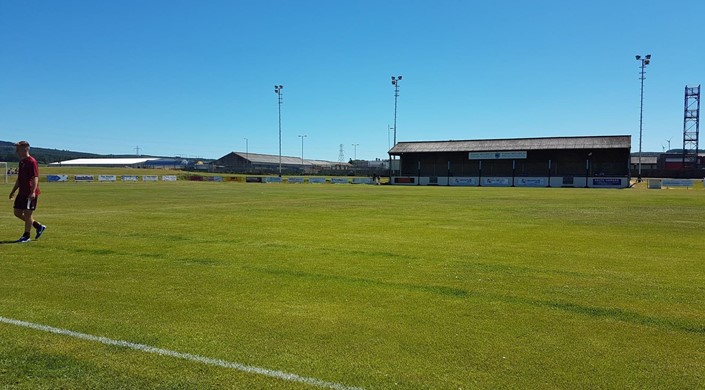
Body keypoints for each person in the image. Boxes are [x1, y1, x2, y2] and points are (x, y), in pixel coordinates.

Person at [9, 141, 46, 243]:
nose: (16, 151)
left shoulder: (32, 161)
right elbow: (19, 179)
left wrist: (33, 191)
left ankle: (26, 236)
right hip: (22, 192)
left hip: (29, 192)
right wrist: (13, 191)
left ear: (25, 149)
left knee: (27, 213)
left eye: (18, 149)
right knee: (17, 212)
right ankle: (38, 226)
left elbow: (35, 177)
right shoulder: (21, 162)